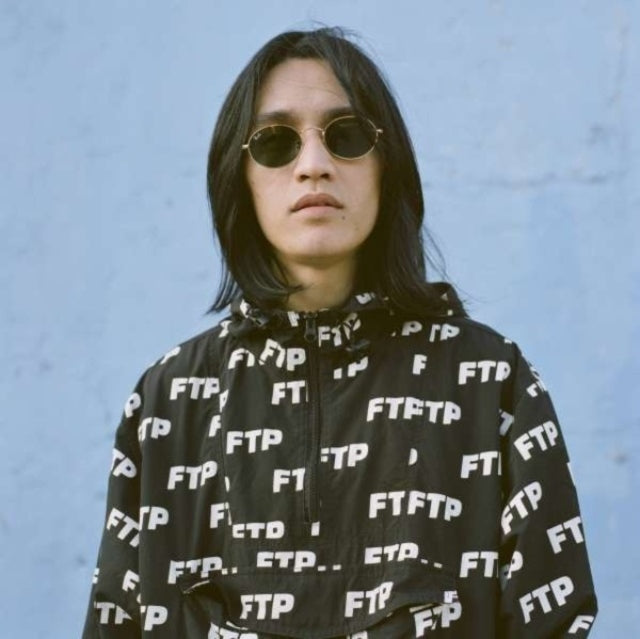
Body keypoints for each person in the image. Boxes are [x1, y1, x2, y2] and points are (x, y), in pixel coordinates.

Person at [82, 27, 598, 638]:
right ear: (237, 177)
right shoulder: (171, 400)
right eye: (275, 143)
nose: (313, 166)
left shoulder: (491, 383)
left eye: (347, 135)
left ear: (387, 165)